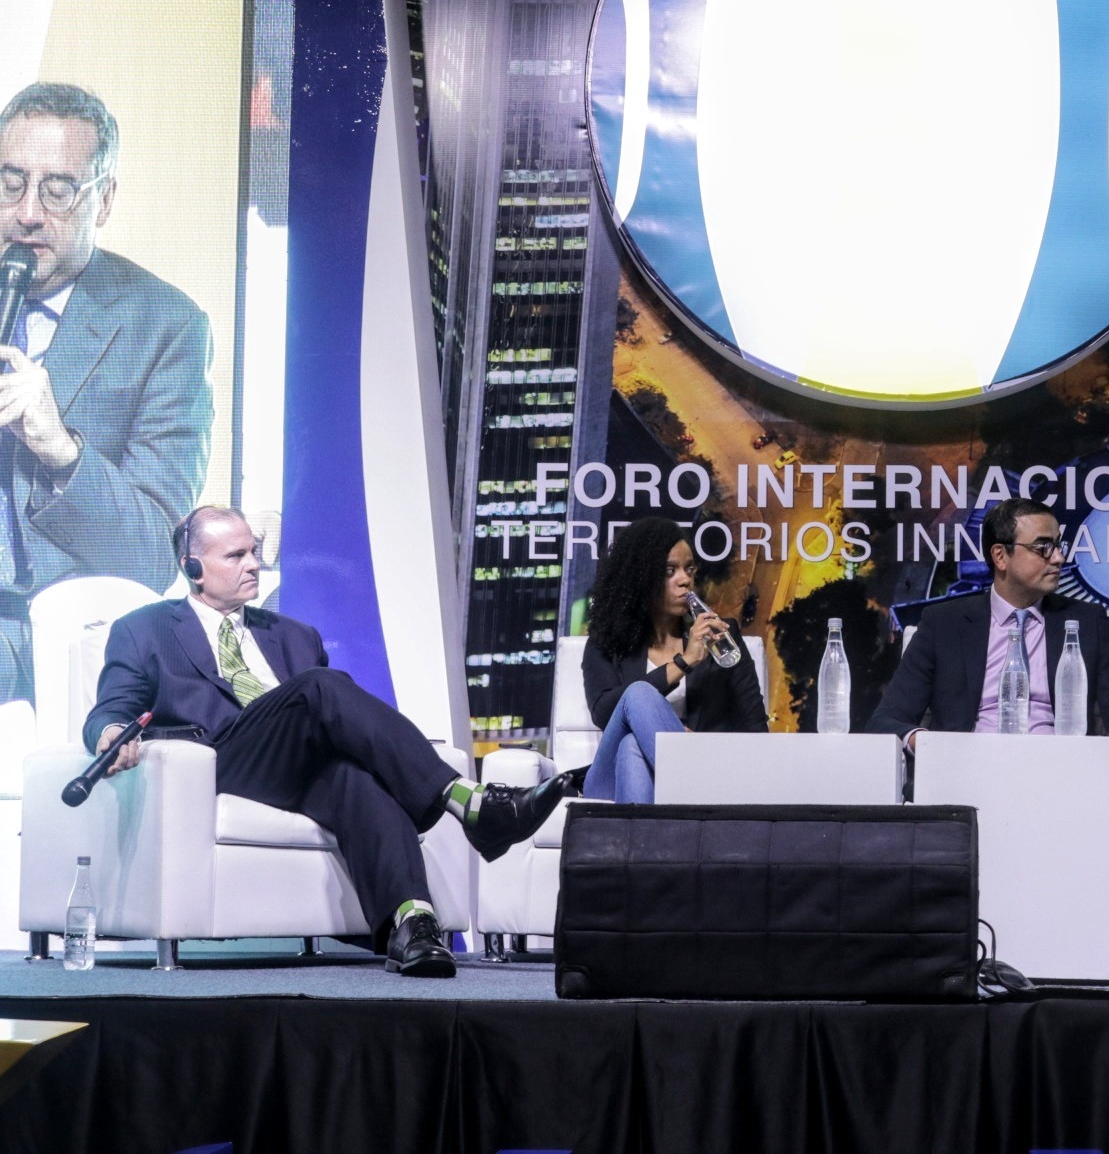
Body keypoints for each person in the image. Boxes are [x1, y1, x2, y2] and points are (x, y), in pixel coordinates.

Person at [84, 507, 569, 977]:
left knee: (358, 780)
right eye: (236, 556)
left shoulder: (295, 635)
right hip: (224, 762)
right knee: (320, 685)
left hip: (296, 768)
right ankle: (469, 801)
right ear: (193, 568)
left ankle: (413, 924)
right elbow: (111, 709)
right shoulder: (144, 630)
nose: (254, 564)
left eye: (254, 551)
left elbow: (336, 720)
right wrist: (108, 733)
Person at [0, 82, 214, 700]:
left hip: (64, 652)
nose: (27, 212)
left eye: (57, 191)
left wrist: (60, 450)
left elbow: (153, 554)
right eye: (10, 183)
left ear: (104, 200)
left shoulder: (167, 326)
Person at [864, 497, 1109, 742]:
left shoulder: (1088, 623)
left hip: (1060, 772)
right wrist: (933, 747)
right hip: (967, 770)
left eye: (1058, 545)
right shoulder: (944, 624)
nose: (1058, 558)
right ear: (1000, 556)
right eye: (1043, 547)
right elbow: (887, 722)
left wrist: (1099, 758)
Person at [580, 517, 767, 803]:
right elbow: (604, 713)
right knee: (638, 695)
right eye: (670, 571)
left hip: (704, 771)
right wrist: (684, 662)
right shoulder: (606, 641)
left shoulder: (721, 636)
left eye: (689, 568)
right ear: (640, 577)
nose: (685, 580)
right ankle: (691, 786)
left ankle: (647, 831)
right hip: (610, 782)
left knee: (633, 745)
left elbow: (756, 729)